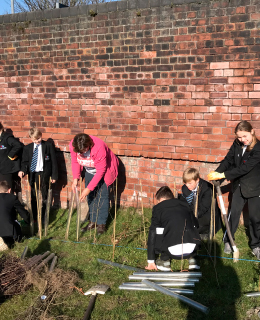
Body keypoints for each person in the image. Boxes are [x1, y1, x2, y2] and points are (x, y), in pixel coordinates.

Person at [208, 120, 260, 258]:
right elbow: (228, 160)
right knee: (233, 215)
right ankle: (228, 240)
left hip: (255, 188)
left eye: (244, 136)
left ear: (252, 132)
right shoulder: (237, 144)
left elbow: (245, 168)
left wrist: (224, 174)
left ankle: (256, 245)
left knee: (255, 218)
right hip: (238, 186)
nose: (242, 140)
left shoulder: (258, 148)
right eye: (239, 137)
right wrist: (217, 175)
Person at [69, 133, 119, 235]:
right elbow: (75, 162)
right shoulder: (73, 145)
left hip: (105, 172)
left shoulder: (98, 147)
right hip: (90, 171)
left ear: (89, 145)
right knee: (91, 196)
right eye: (80, 152)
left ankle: (101, 224)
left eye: (84, 151)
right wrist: (75, 179)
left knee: (102, 196)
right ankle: (93, 221)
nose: (82, 154)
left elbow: (101, 170)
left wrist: (88, 188)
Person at [146, 186, 201, 271]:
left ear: (160, 199)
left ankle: (165, 261)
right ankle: (192, 260)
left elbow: (152, 233)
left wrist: (150, 260)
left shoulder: (158, 209)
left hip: (172, 251)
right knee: (190, 227)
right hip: (192, 247)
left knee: (159, 230)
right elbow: (196, 224)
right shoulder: (185, 204)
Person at [18, 128, 58, 220]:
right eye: (35, 139)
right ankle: (35, 215)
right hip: (33, 175)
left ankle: (45, 215)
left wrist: (54, 175)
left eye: (39, 138)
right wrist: (22, 170)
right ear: (31, 139)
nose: (38, 140)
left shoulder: (48, 146)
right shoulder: (27, 148)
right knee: (33, 195)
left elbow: (54, 161)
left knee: (45, 195)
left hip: (44, 173)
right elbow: (24, 162)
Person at [181, 167, 221, 240]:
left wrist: (189, 216)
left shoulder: (207, 189)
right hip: (193, 213)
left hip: (207, 215)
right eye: (185, 183)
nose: (187, 185)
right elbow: (183, 205)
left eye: (190, 183)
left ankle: (205, 232)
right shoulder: (186, 188)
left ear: (197, 180)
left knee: (190, 226)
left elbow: (202, 210)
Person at [0, 180, 29, 249]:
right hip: (8, 232)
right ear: (9, 190)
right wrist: (28, 221)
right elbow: (23, 213)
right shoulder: (12, 198)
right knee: (16, 226)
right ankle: (15, 240)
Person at [0, 122, 23, 189]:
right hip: (1, 168)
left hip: (7, 169)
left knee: (6, 189)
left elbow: (18, 145)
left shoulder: (7, 137)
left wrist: (10, 155)